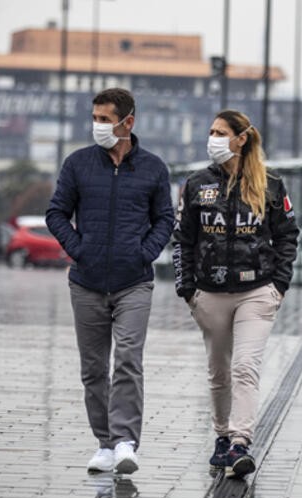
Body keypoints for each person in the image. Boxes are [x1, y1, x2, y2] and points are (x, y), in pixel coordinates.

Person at [46, 88, 174, 475]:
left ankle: (124, 442)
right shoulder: (78, 164)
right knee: (93, 368)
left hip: (134, 281)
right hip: (86, 282)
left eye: (105, 119)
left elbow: (165, 218)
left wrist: (143, 252)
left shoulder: (153, 168)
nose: (98, 126)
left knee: (128, 360)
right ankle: (104, 443)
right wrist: (79, 249)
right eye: (95, 118)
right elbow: (56, 213)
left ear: (127, 122)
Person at [172, 109, 299, 479]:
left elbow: (288, 236)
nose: (212, 137)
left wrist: (279, 284)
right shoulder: (197, 184)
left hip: (256, 291)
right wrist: (187, 289)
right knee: (218, 372)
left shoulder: (270, 184)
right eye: (210, 130)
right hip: (208, 292)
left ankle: (241, 442)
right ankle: (222, 434)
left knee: (245, 366)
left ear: (241, 139)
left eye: (220, 132)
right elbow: (183, 239)